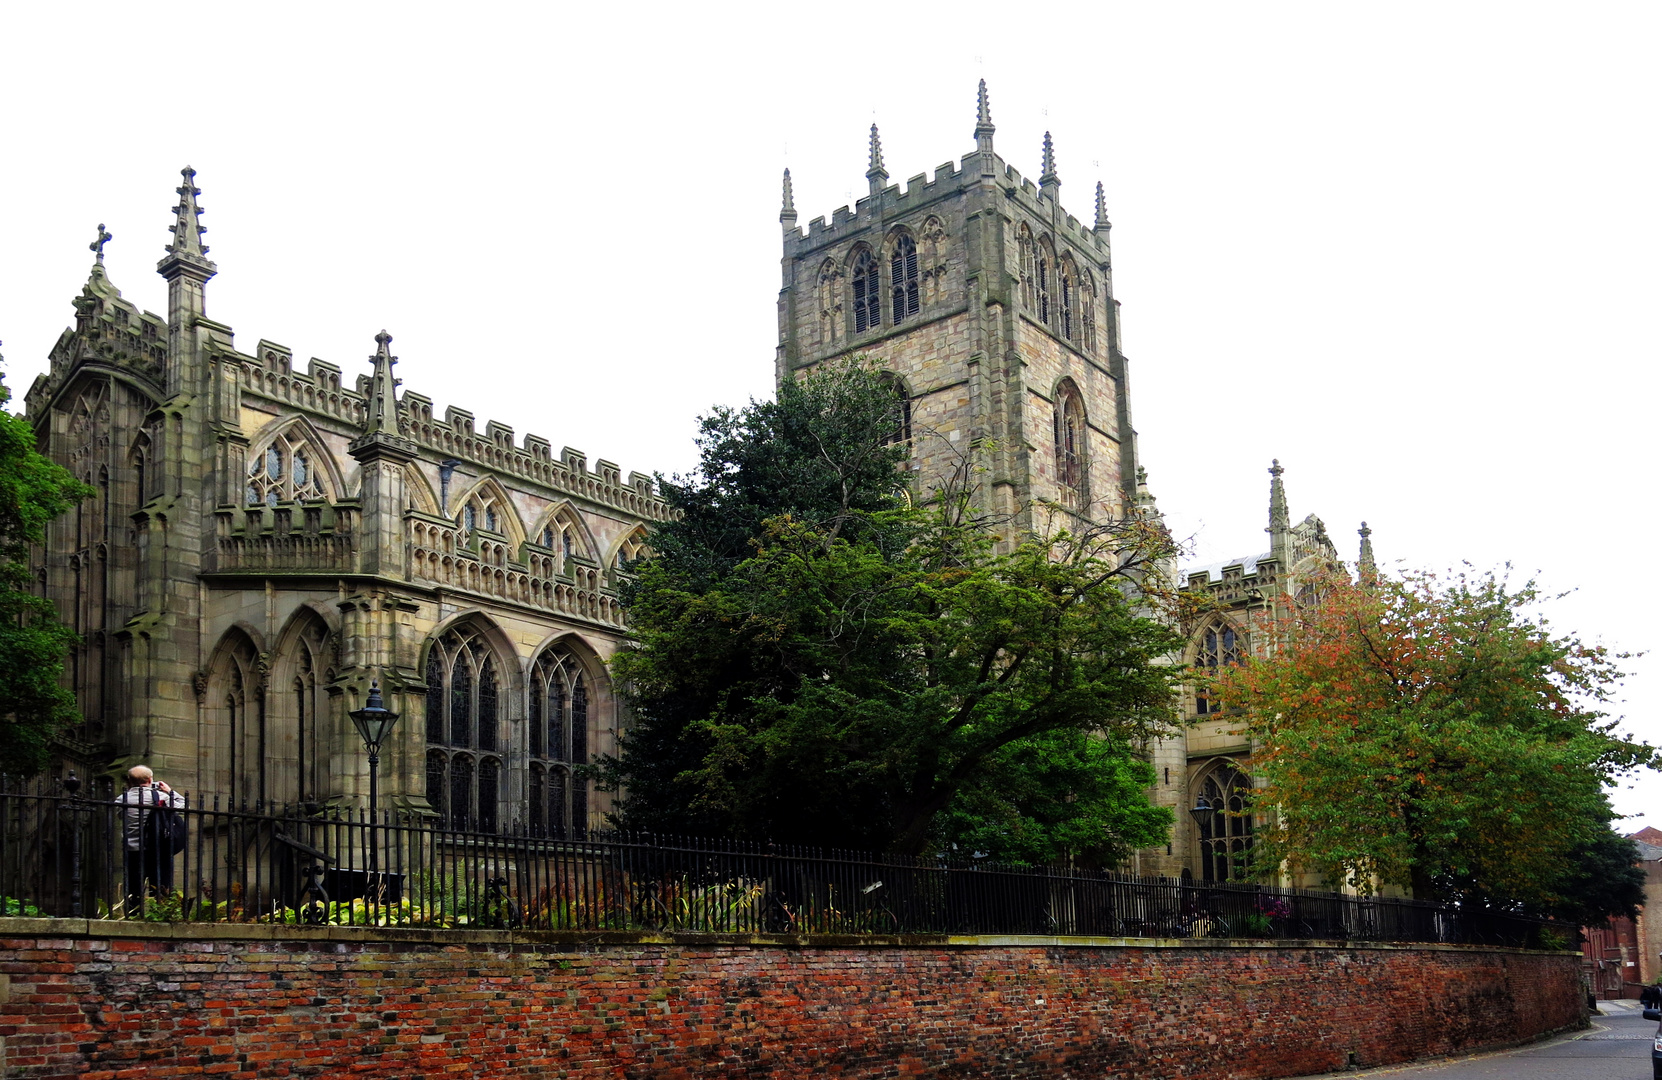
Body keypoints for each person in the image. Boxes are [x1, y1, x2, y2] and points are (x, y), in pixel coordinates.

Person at [115, 766, 185, 910]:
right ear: (150, 779)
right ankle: (160, 915)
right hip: (158, 850)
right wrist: (169, 791)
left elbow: (120, 815)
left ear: (129, 781)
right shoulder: (161, 797)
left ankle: (133, 915)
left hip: (133, 850)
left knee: (134, 890)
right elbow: (184, 805)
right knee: (161, 888)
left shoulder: (122, 799)